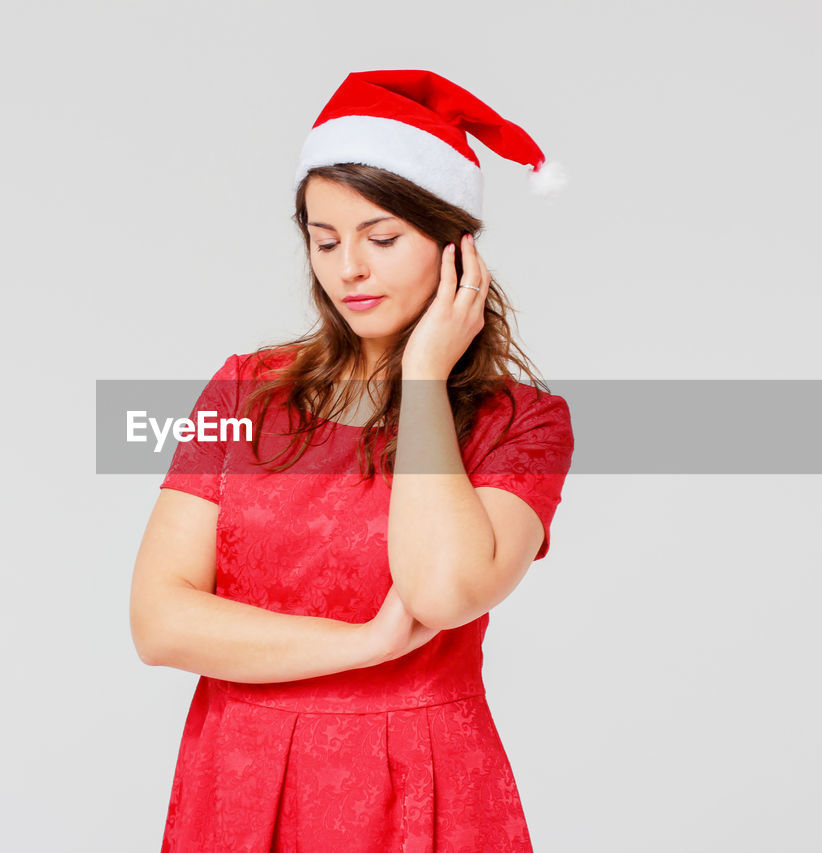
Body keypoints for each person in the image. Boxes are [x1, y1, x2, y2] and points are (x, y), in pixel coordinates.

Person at [130, 69, 575, 852]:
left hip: (422, 784)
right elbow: (159, 620)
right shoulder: (245, 390)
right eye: (325, 240)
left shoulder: (523, 424)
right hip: (238, 778)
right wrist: (364, 645)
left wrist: (425, 378)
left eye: (381, 238)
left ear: (453, 243)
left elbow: (441, 592)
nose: (349, 270)